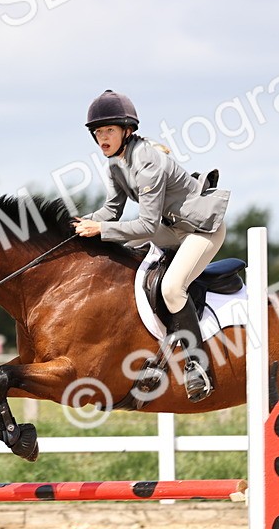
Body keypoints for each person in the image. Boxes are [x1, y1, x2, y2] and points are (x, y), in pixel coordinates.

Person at [72, 89, 230, 402]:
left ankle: (197, 367)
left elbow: (145, 225)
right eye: (98, 132)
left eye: (109, 131)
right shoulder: (116, 166)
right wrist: (78, 225)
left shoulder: (148, 165)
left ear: (126, 131)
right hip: (169, 234)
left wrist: (99, 228)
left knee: (172, 288)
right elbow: (111, 212)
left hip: (201, 231)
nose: (102, 138)